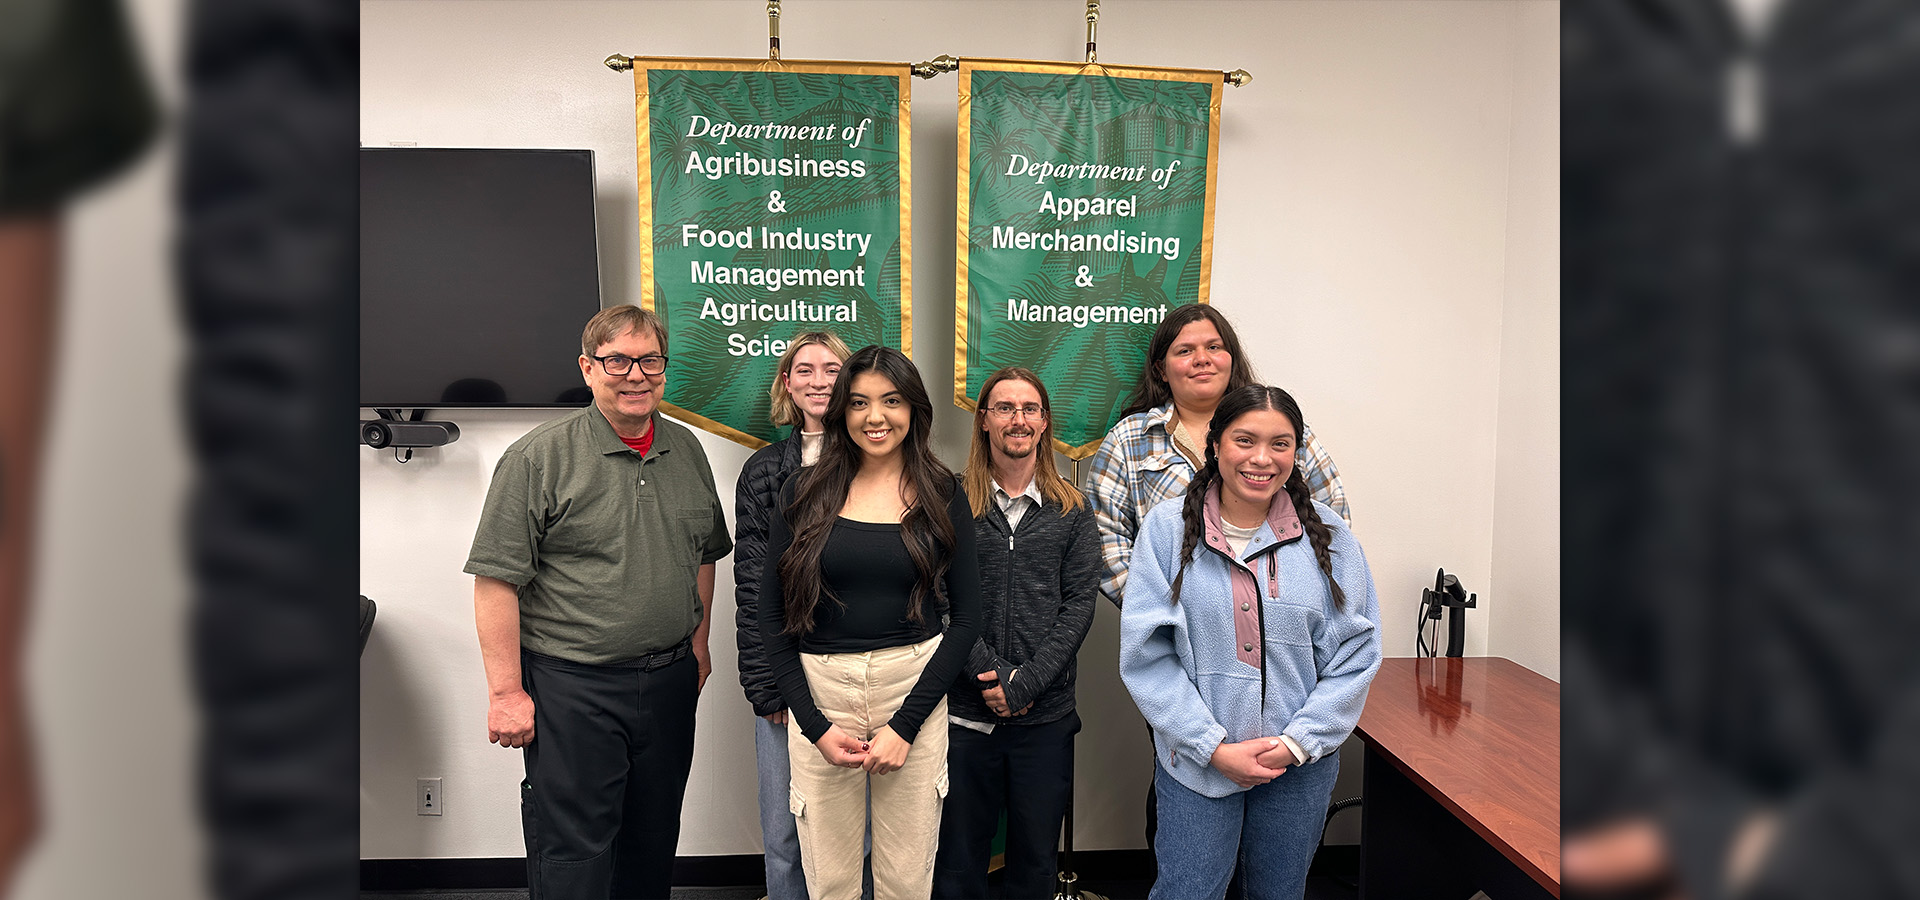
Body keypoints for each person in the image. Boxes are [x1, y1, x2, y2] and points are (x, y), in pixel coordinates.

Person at [464, 305, 732, 900]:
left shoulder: (686, 450)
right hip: (572, 689)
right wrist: (506, 693)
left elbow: (705, 554)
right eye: (618, 361)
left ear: (665, 370)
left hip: (667, 683)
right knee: (575, 853)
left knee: (653, 840)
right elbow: (495, 582)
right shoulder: (539, 457)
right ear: (588, 369)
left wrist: (698, 645)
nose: (635, 375)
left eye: (650, 361)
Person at [1083, 302, 1351, 864]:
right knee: (1189, 816)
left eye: (1214, 346)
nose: (1201, 359)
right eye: (1184, 349)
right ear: (1162, 368)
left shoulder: (1279, 428)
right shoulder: (1132, 440)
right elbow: (1104, 538)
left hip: (1283, 666)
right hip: (1187, 659)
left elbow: (1333, 529)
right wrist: (1170, 614)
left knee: (1276, 850)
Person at [1119, 384, 1380, 900]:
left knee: (1279, 893)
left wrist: (1295, 744)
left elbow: (1355, 657)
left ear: (1297, 452)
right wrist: (1211, 747)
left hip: (1298, 770)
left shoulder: (1330, 538)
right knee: (1187, 892)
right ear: (1216, 445)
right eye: (1245, 440)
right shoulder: (1168, 531)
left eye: (1280, 444)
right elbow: (1148, 657)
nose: (1262, 458)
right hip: (1197, 764)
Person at [758, 345, 981, 900]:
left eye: (891, 401)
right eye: (858, 402)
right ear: (840, 412)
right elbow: (772, 618)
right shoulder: (801, 493)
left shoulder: (943, 493)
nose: (875, 417)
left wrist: (905, 726)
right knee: (830, 881)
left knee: (905, 881)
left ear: (914, 410)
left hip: (914, 691)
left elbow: (967, 619)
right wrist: (815, 727)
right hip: (821, 695)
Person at [932, 368, 1100, 900]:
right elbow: (940, 600)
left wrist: (1025, 684)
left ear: (1045, 422)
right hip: (964, 714)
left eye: (1029, 409)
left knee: (1034, 866)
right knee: (958, 865)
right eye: (1004, 408)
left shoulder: (1072, 511)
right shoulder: (950, 503)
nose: (1018, 420)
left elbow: (1077, 607)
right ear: (984, 421)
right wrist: (992, 676)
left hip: (1044, 721)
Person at [734, 330, 852, 900]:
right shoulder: (763, 472)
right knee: (785, 830)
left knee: (860, 833)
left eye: (832, 369)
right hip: (786, 674)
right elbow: (753, 583)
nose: (819, 381)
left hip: (861, 671)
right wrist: (765, 684)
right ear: (787, 383)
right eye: (804, 370)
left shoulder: (881, 462)